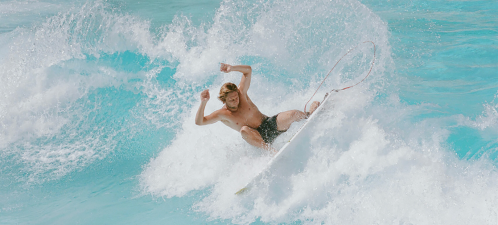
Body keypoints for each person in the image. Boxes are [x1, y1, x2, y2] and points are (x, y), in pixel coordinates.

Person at [195, 63, 320, 152]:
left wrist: (232, 68)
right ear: (224, 100)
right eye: (231, 100)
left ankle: (309, 114)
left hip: (269, 125)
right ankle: (272, 152)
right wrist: (203, 103)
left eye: (236, 97)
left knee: (293, 114)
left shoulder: (241, 94)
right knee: (244, 130)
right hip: (257, 138)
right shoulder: (222, 114)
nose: (236, 100)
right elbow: (200, 122)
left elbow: (248, 70)